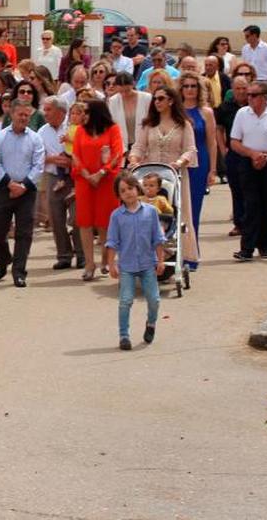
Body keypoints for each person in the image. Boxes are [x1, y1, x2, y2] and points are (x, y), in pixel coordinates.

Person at [128, 85, 198, 264]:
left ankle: (176, 254)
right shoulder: (148, 124)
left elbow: (190, 150)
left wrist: (180, 162)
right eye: (155, 99)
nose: (157, 102)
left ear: (171, 101)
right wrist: (134, 158)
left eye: (161, 98)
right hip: (151, 177)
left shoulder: (184, 125)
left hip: (174, 176)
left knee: (175, 211)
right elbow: (139, 147)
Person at [105, 174, 166, 351]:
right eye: (123, 191)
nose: (128, 193)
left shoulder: (151, 211)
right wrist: (111, 264)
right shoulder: (117, 216)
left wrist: (161, 261)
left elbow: (158, 239)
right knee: (125, 301)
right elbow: (112, 241)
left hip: (148, 263)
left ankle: (151, 323)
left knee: (154, 299)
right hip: (127, 266)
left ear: (137, 189)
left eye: (130, 188)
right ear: (119, 195)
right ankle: (124, 335)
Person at [230, 83, 267, 261]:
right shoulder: (242, 114)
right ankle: (246, 248)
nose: (249, 98)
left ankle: (264, 245)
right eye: (248, 95)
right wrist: (253, 155)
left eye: (253, 95)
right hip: (248, 163)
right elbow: (234, 141)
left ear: (264, 97)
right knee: (251, 205)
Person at [0, 100, 45, 288]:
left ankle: (19, 272)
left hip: (27, 191)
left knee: (24, 232)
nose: (23, 118)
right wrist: (10, 184)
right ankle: (4, 259)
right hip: (4, 188)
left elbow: (39, 165)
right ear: (12, 114)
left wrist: (24, 185)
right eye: (20, 114)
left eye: (26, 115)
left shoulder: (35, 138)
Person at [72, 98, 124, 280]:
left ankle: (105, 258)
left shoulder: (112, 129)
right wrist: (87, 175)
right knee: (85, 222)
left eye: (85, 112)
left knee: (105, 222)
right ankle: (89, 263)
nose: (82, 115)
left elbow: (117, 154)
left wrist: (101, 172)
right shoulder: (80, 131)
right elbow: (75, 155)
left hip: (106, 180)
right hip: (85, 181)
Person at [178, 73, 218, 265]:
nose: (189, 89)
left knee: (193, 209)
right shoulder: (176, 110)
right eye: (186, 86)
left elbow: (212, 143)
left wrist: (213, 169)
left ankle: (191, 254)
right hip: (179, 162)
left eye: (193, 86)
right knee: (177, 208)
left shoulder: (206, 112)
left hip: (199, 162)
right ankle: (176, 251)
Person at [38, 96, 82, 269]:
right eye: (45, 109)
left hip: (74, 178)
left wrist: (72, 161)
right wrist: (52, 159)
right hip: (53, 177)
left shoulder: (74, 128)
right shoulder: (41, 132)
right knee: (56, 218)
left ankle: (81, 254)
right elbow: (36, 156)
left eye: (49, 109)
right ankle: (64, 255)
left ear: (61, 112)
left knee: (78, 217)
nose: (45, 113)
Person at [216, 76, 250, 237]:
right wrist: (223, 149)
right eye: (238, 88)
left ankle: (251, 223)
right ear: (232, 89)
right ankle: (239, 224)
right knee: (236, 190)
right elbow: (219, 129)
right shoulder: (225, 107)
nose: (242, 91)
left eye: (244, 88)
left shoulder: (254, 105)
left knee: (250, 191)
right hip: (233, 154)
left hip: (251, 153)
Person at [107, 71, 151, 165]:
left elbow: (151, 123)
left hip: (144, 146)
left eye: (127, 90)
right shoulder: (113, 101)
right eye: (121, 91)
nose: (124, 94)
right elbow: (113, 127)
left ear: (133, 84)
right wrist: (124, 151)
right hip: (123, 147)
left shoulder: (146, 98)